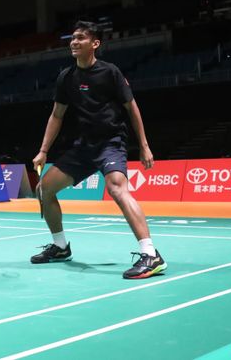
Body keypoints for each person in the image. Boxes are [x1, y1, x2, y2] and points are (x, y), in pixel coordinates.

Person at [31, 20, 166, 279]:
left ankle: (151, 254)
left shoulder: (110, 72)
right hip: (83, 147)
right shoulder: (66, 77)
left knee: (117, 188)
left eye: (80, 38)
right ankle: (60, 247)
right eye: (72, 37)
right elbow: (56, 115)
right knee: (44, 188)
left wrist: (144, 145)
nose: (73, 41)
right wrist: (44, 150)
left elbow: (132, 108)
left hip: (110, 143)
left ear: (95, 44)